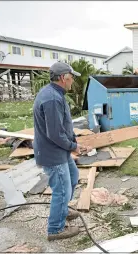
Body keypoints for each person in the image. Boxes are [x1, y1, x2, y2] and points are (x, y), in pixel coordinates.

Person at [33, 62, 92, 241]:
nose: (73, 79)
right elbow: (55, 133)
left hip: (59, 150)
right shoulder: (52, 99)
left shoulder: (56, 94)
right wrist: (74, 147)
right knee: (62, 190)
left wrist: (74, 141)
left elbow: (64, 125)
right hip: (53, 153)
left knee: (73, 178)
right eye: (71, 76)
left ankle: (63, 211)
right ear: (62, 77)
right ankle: (55, 229)